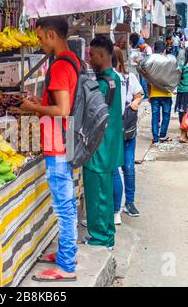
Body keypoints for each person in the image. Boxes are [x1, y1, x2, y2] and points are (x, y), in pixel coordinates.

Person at [20, 16, 79, 282]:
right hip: (66, 140)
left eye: (41, 37)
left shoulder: (59, 66)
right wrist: (40, 100)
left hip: (59, 143)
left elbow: (62, 110)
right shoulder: (73, 60)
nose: (40, 42)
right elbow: (60, 102)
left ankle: (66, 266)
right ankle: (67, 252)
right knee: (67, 203)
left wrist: (33, 108)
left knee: (64, 205)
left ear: (52, 34)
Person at [83, 36, 123, 248]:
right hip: (110, 146)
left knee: (97, 194)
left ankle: (100, 238)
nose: (89, 58)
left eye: (91, 55)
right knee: (104, 194)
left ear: (101, 55)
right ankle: (107, 233)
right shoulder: (114, 79)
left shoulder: (102, 84)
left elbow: (91, 115)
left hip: (99, 148)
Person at [112, 46, 143, 223]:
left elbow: (139, 95)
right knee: (116, 167)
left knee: (128, 166)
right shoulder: (108, 79)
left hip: (128, 127)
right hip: (114, 129)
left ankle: (129, 202)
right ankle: (116, 206)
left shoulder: (129, 78)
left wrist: (135, 103)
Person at [147, 41, 173, 144]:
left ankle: (155, 137)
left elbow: (148, 80)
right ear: (164, 50)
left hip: (154, 94)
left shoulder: (150, 62)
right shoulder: (168, 62)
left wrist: (149, 94)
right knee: (166, 115)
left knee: (155, 115)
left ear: (154, 49)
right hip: (166, 94)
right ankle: (162, 135)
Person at [176, 47, 188, 143]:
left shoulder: (181, 64)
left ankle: (184, 135)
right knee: (186, 113)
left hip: (180, 91)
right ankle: (182, 136)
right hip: (187, 91)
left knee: (182, 111)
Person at [129, 33, 152, 99]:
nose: (139, 47)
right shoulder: (144, 49)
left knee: (144, 81)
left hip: (145, 68)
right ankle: (145, 94)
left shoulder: (148, 49)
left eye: (140, 45)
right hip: (142, 67)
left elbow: (147, 59)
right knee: (142, 81)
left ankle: (147, 95)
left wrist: (139, 61)